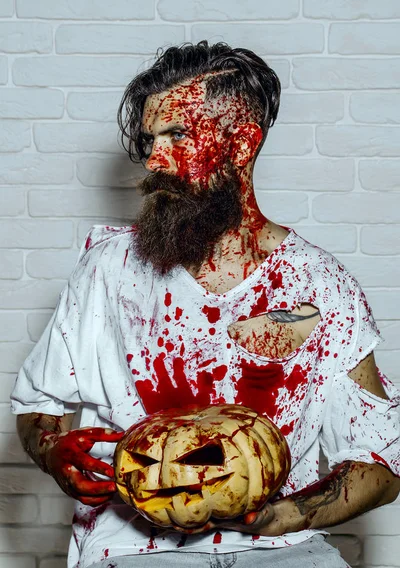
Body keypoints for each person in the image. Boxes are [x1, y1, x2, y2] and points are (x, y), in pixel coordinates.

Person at [11, 41, 400, 568]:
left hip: (281, 547)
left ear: (241, 144)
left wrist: (282, 517)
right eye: (150, 139)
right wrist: (53, 452)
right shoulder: (107, 269)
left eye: (177, 135)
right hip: (131, 548)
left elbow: (379, 464)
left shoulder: (321, 288)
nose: (153, 159)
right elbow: (39, 405)